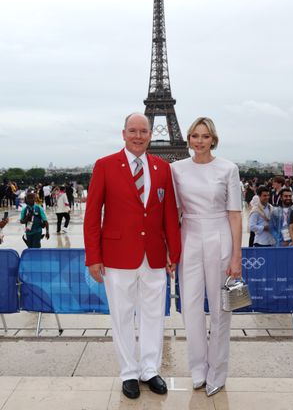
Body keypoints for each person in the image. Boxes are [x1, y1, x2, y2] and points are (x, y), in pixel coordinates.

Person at [84, 113, 181, 400]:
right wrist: (93, 256)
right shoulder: (104, 165)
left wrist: (172, 253)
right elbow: (92, 214)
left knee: (153, 316)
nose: (138, 136)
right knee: (122, 316)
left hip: (153, 255)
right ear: (123, 133)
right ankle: (128, 372)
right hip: (116, 255)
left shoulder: (162, 167)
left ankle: (149, 369)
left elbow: (169, 214)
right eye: (133, 131)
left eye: (143, 131)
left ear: (151, 134)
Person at [171, 117, 242, 397]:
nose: (199, 141)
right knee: (190, 308)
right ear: (188, 139)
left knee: (220, 308)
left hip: (219, 236)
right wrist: (170, 250)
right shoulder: (176, 169)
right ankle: (198, 368)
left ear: (213, 139)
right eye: (194, 136)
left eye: (205, 136)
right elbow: (173, 213)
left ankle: (218, 371)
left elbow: (235, 214)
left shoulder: (228, 169)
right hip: (188, 236)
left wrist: (236, 256)